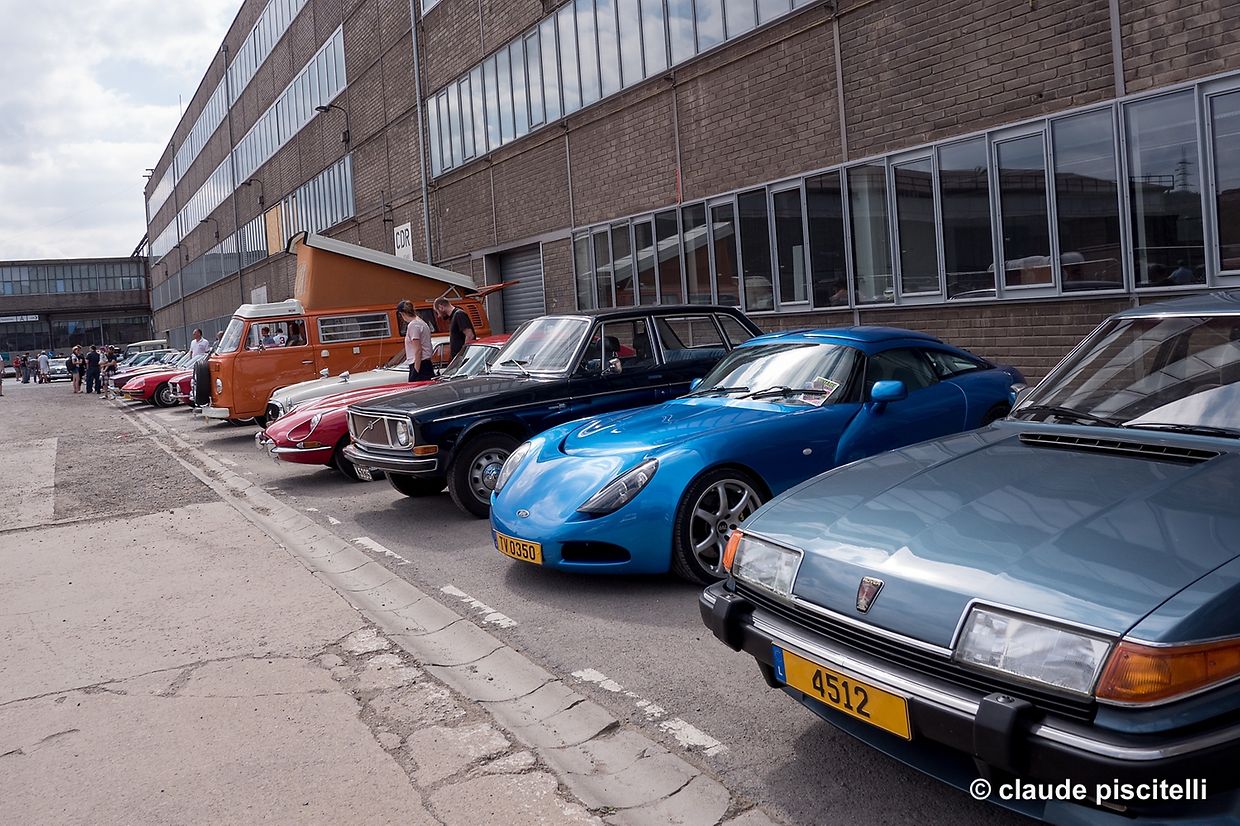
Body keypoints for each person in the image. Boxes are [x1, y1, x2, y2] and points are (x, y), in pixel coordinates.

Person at [398, 299, 434, 381]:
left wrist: (415, 372)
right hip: (426, 363)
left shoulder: (413, 325)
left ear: (402, 314)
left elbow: (418, 350)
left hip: (419, 364)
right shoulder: (422, 322)